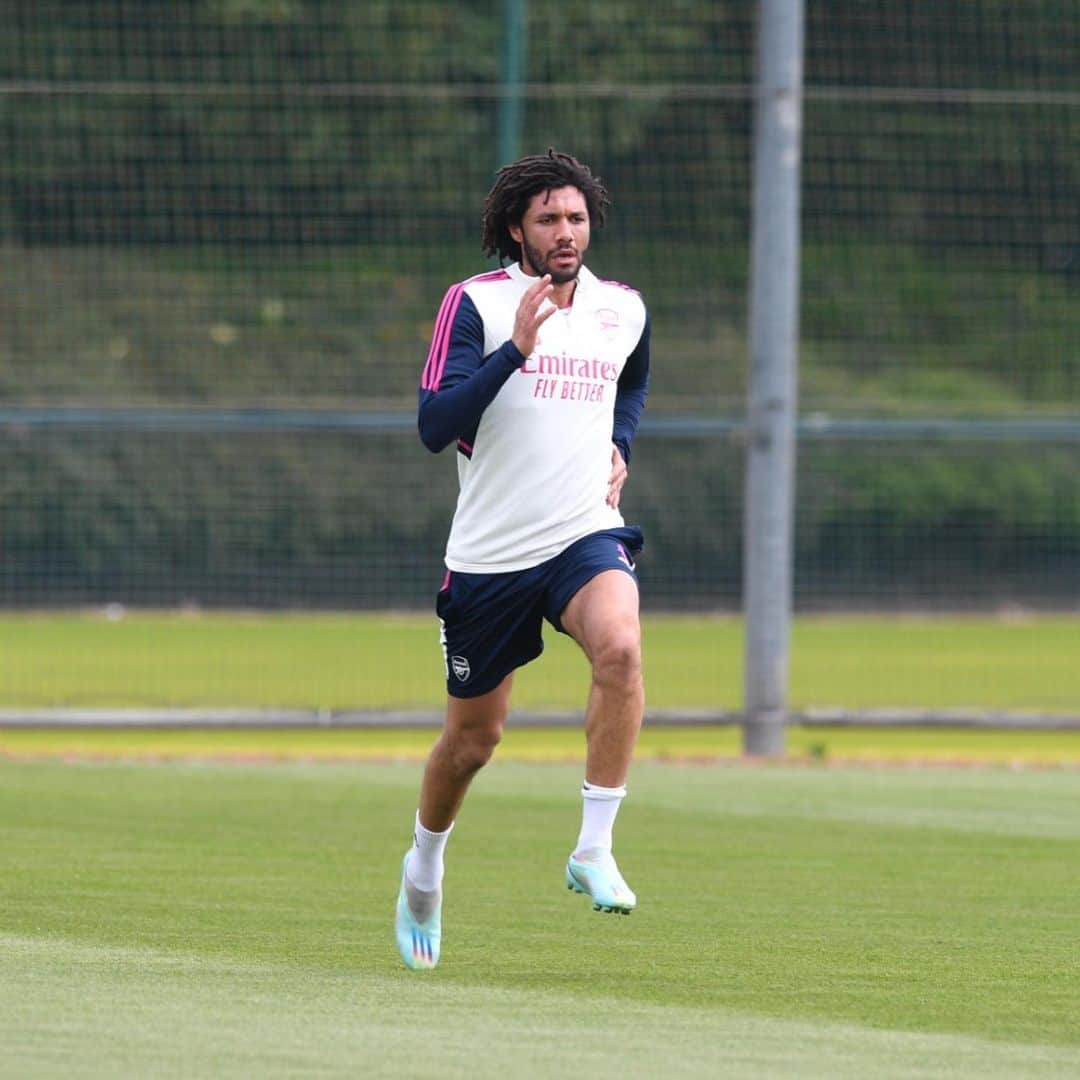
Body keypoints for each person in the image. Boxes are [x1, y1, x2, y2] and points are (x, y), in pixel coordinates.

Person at [395, 148, 651, 970]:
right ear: (516, 229)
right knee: (474, 741)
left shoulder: (623, 309)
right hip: (491, 555)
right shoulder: (475, 304)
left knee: (620, 646)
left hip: (584, 531)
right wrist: (516, 349)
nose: (565, 231)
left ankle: (593, 845)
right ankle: (424, 867)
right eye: (548, 219)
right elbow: (437, 426)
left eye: (575, 217)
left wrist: (620, 443)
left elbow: (633, 378)